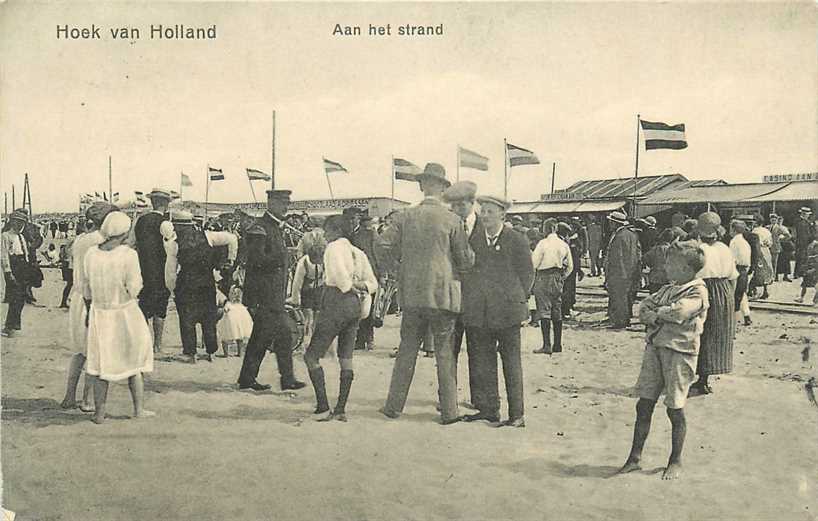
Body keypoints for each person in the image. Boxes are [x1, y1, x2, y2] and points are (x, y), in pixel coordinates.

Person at [378, 163, 474, 425]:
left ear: (421, 186)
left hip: (411, 294)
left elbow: (382, 244)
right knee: (444, 352)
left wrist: (399, 268)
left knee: (407, 350)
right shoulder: (453, 220)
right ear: (443, 189)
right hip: (443, 297)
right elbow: (465, 260)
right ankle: (450, 411)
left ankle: (393, 406)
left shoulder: (403, 217)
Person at [618, 241, 709, 480]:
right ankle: (634, 458)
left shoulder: (697, 290)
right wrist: (659, 313)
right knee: (644, 403)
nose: (666, 266)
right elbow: (643, 307)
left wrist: (656, 314)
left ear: (687, 268)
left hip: (680, 353)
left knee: (674, 408)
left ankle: (675, 460)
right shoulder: (669, 288)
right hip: (656, 349)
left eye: (671, 263)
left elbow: (680, 313)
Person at [461, 194, 533, 427]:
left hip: (508, 313)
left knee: (511, 362)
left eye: (490, 212)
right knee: (484, 361)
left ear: (503, 214)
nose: (485, 216)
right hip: (480, 312)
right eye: (483, 212)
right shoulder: (474, 240)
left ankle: (517, 415)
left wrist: (517, 299)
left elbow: (527, 274)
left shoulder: (516, 239)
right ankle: (489, 410)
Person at [83, 212, 155, 424]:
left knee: (100, 362)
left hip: (100, 312)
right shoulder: (128, 255)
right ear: (124, 231)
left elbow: (86, 289)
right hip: (124, 312)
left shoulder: (91, 254)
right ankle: (138, 409)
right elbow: (134, 288)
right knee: (134, 358)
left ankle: (99, 413)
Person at [304, 215, 377, 422]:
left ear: (336, 230)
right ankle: (341, 409)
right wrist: (359, 287)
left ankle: (323, 407)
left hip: (335, 302)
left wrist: (349, 286)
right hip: (354, 307)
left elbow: (339, 277)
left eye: (327, 231)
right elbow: (372, 283)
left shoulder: (333, 248)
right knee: (346, 358)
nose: (325, 235)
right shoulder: (358, 252)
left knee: (311, 356)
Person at [237, 189, 307, 392]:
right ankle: (271, 379)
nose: (286, 207)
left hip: (273, 295)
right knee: (271, 335)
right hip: (263, 295)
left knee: (272, 335)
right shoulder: (259, 228)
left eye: (287, 203)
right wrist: (280, 259)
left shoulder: (274, 227)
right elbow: (255, 260)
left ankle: (276, 379)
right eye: (283, 203)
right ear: (271, 203)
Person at [59, 202, 118, 411]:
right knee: (96, 352)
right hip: (93, 300)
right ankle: (86, 400)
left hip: (78, 297)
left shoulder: (81, 239)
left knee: (80, 352)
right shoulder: (101, 241)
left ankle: (69, 396)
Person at [163, 210, 238, 363]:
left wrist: (172, 290)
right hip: (206, 282)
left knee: (187, 319)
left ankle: (191, 353)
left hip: (186, 283)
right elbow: (232, 238)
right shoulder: (209, 236)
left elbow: (170, 272)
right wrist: (231, 259)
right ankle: (210, 352)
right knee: (208, 318)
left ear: (177, 226)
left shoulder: (174, 244)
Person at [442, 180, 482, 409]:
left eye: (461, 205)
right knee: (450, 351)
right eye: (453, 206)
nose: (457, 210)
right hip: (453, 298)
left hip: (477, 300)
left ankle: (478, 398)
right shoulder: (448, 227)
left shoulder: (484, 226)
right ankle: (448, 399)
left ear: (471, 203)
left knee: (478, 351)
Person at [690, 212, 737, 396]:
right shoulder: (725, 248)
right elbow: (733, 276)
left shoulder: (698, 249)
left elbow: (692, 275)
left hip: (704, 289)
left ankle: (700, 379)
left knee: (701, 334)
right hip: (724, 290)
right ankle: (705, 378)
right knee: (718, 335)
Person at [132, 188, 172, 353]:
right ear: (166, 204)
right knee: (160, 308)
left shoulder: (140, 221)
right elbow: (171, 248)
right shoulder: (165, 223)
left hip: (143, 269)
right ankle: (158, 344)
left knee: (144, 304)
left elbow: (133, 243)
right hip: (161, 270)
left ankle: (143, 342)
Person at [531, 218, 573, 354]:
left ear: (546, 229)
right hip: (558, 277)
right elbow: (570, 266)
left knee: (544, 310)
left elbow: (534, 263)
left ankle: (546, 345)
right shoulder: (563, 244)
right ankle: (558, 345)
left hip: (544, 277)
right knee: (557, 310)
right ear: (555, 228)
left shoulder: (543, 244)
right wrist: (562, 277)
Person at [350, 211, 382, 351]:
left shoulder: (357, 236)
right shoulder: (371, 235)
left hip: (363, 275)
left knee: (363, 308)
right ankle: (366, 339)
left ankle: (363, 339)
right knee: (367, 308)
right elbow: (378, 255)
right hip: (367, 275)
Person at [604, 211, 642, 329]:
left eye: (611, 222)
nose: (609, 224)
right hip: (630, 270)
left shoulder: (619, 236)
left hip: (619, 272)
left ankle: (620, 321)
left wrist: (611, 273)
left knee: (618, 297)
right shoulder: (632, 235)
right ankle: (622, 319)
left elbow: (616, 257)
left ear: (615, 223)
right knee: (625, 297)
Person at [288, 242, 326, 343]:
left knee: (318, 315)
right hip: (307, 291)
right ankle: (305, 340)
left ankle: (316, 340)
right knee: (307, 317)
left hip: (319, 289)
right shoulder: (303, 263)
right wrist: (296, 300)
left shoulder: (325, 261)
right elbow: (297, 283)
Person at [1, 210, 31, 337]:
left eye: (22, 223)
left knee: (22, 297)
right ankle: (9, 326)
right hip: (14, 267)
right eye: (17, 222)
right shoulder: (5, 236)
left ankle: (15, 324)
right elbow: (4, 255)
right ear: (12, 222)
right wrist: (8, 272)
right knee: (14, 298)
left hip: (23, 267)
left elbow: (26, 254)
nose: (19, 225)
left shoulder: (21, 237)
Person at [729, 220, 753, 326]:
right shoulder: (745, 242)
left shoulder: (734, 242)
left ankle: (734, 322)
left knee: (734, 296)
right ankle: (747, 316)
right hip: (744, 270)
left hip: (736, 270)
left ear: (733, 230)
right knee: (742, 293)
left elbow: (731, 259)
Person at [218, 286, 254, 357]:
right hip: (240, 324)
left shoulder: (228, 304)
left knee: (225, 338)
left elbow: (225, 310)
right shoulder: (242, 306)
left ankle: (226, 354)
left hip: (230, 324)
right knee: (240, 337)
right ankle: (240, 353)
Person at [559, 221, 583, 319]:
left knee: (567, 291)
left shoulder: (566, 242)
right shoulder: (565, 244)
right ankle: (566, 311)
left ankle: (566, 310)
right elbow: (574, 258)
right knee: (566, 291)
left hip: (568, 270)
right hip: (567, 271)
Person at [643, 229, 675, 293]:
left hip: (655, 278)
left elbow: (645, 259)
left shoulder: (655, 249)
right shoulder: (673, 250)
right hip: (668, 279)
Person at [750, 216, 773, 300]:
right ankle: (764, 290)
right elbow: (770, 243)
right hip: (766, 251)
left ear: (756, 222)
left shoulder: (754, 231)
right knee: (766, 270)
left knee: (757, 270)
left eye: (754, 221)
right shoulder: (767, 231)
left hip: (758, 251)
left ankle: (753, 289)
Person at [795, 234, 818, 305]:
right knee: (805, 283)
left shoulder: (814, 245)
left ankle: (815, 300)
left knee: (813, 284)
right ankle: (803, 298)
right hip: (811, 265)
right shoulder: (812, 244)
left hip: (814, 267)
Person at [794, 207, 815, 278]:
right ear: (804, 214)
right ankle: (797, 273)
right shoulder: (801, 222)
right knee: (800, 258)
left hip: (805, 242)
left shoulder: (806, 222)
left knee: (804, 258)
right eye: (807, 214)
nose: (808, 216)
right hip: (801, 243)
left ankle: (800, 272)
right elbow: (803, 234)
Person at [58, 243, 73, 308]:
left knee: (69, 284)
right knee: (70, 284)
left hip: (68, 266)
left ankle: (64, 302)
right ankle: (64, 302)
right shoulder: (73, 242)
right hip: (71, 267)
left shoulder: (70, 242)